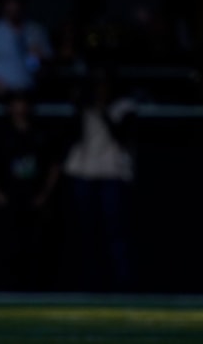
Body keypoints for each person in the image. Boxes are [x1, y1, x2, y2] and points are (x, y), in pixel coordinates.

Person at [0, 91, 64, 291]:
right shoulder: (0, 133)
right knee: (7, 245)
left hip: (35, 199)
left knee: (37, 245)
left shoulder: (40, 133)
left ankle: (37, 287)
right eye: (16, 104)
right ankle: (7, 286)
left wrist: (44, 195)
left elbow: (54, 166)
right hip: (9, 198)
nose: (20, 109)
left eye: (23, 103)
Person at [62, 65, 138, 292]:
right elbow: (72, 134)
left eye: (105, 84)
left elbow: (123, 136)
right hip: (84, 173)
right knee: (86, 232)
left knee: (115, 232)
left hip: (112, 174)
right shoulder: (85, 108)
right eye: (97, 84)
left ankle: (122, 285)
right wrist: (82, 104)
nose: (101, 89)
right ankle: (88, 283)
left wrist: (104, 110)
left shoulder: (124, 107)